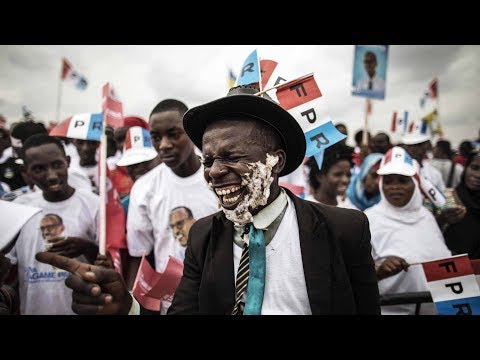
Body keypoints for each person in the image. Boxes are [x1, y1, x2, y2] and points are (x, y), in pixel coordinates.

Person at [36, 84, 380, 315]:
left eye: (232, 157)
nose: (214, 172)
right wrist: (125, 306)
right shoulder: (202, 236)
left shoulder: (343, 228)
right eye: (209, 160)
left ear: (274, 161)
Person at [124, 99, 218, 314]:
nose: (164, 144)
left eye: (173, 134)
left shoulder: (218, 176)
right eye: (156, 137)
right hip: (171, 302)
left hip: (221, 294)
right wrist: (134, 301)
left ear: (192, 134)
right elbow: (139, 253)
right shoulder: (145, 187)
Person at [6, 134, 99, 314]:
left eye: (57, 165)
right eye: (39, 169)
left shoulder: (93, 204)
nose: (51, 176)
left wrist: (87, 248)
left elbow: (109, 264)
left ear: (68, 161)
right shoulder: (19, 208)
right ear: (26, 173)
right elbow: (8, 268)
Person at [364, 146, 451, 315]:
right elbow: (354, 277)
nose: (395, 187)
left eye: (403, 180)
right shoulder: (367, 220)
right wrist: (379, 271)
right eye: (388, 181)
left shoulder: (426, 216)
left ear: (415, 183)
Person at [442, 151, 480, 258]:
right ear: (466, 167)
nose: (478, 175)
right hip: (454, 269)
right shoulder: (446, 197)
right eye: (474, 168)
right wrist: (441, 219)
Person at [305, 143, 358, 209]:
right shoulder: (303, 209)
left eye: (348, 175)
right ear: (319, 176)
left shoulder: (351, 211)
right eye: (338, 174)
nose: (345, 180)